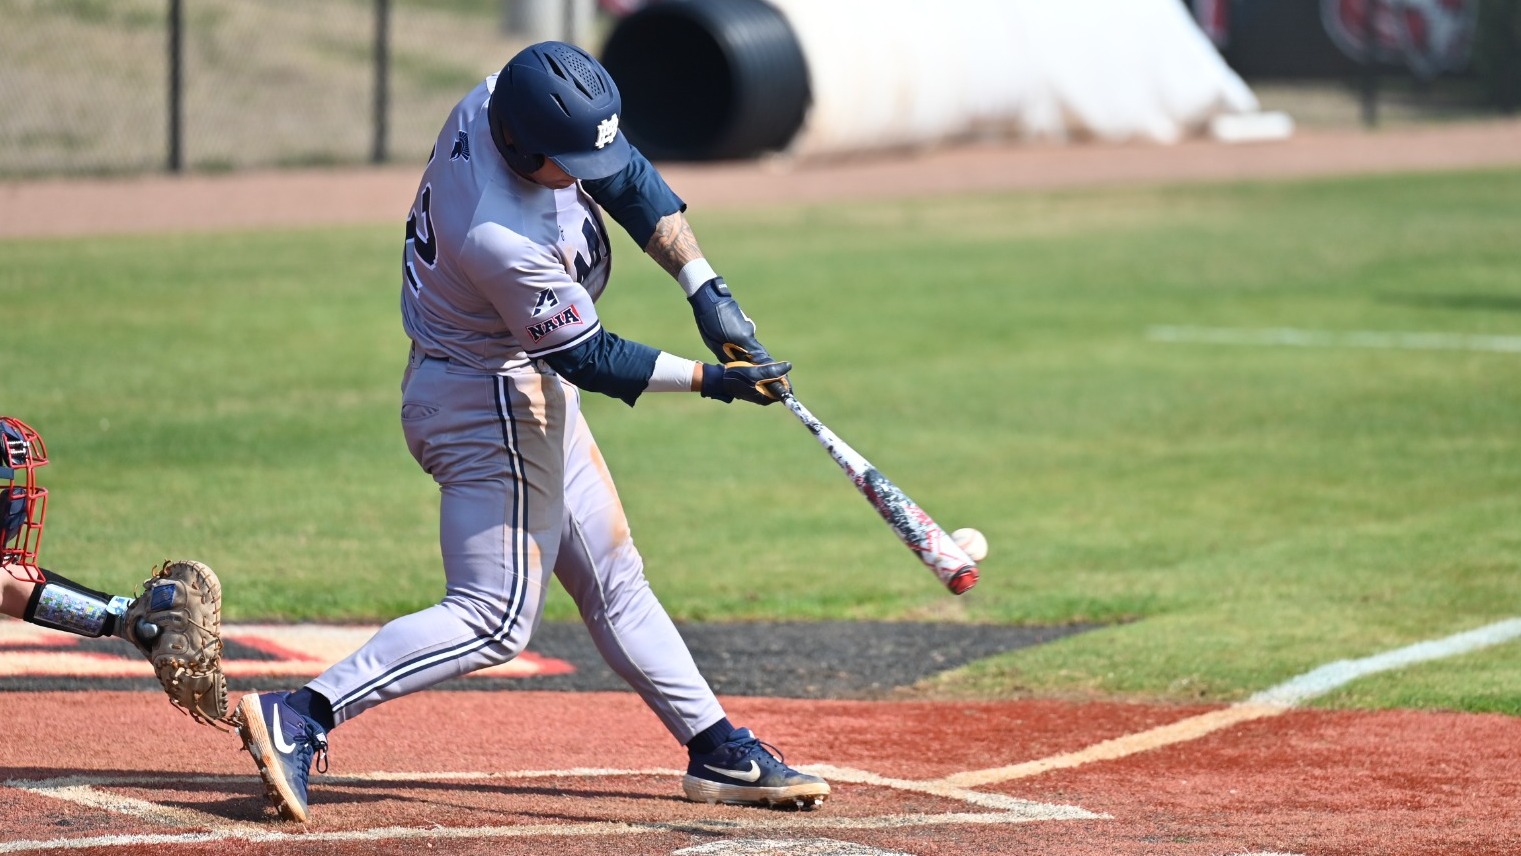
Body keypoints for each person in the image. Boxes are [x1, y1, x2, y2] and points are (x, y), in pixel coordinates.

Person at [233, 41, 829, 823]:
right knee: (494, 616)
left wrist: (703, 287)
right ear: (519, 145)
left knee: (613, 577)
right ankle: (301, 713)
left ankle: (716, 747)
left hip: (505, 380)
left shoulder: (502, 97)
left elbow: (627, 174)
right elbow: (588, 357)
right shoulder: (499, 234)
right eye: (567, 162)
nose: (583, 174)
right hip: (490, 403)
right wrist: (713, 380)